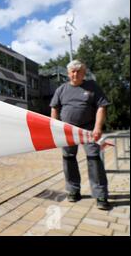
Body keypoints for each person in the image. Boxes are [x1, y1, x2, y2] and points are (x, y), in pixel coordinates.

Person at [50, 60, 111, 210]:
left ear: (84, 73)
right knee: (68, 159)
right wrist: (54, 126)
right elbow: (54, 108)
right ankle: (73, 191)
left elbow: (101, 107)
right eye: (72, 71)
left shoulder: (92, 87)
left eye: (78, 71)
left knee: (94, 159)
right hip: (67, 130)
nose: (75, 74)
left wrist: (97, 127)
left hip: (89, 130)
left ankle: (100, 195)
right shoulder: (61, 89)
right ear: (68, 73)